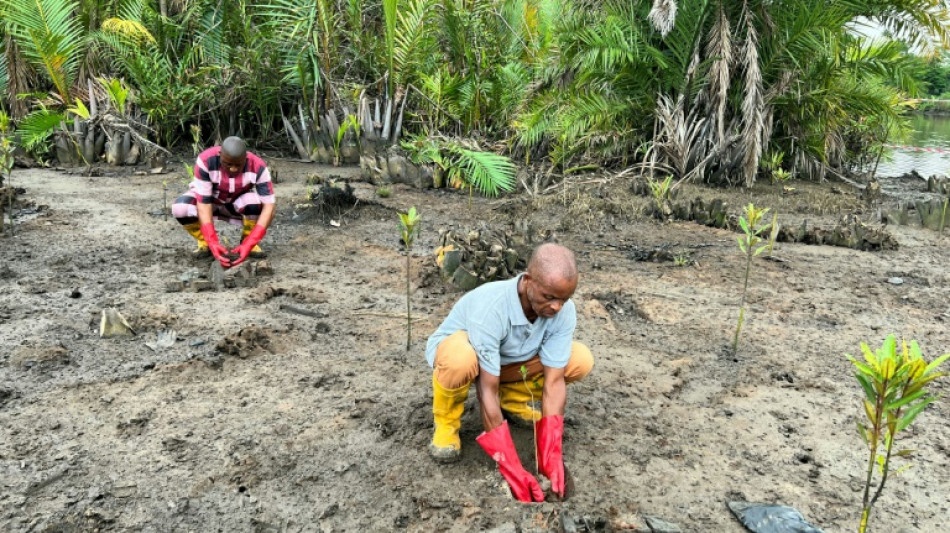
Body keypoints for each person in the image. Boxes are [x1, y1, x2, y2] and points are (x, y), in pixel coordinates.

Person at [425, 243, 593, 502]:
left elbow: (554, 381)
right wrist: (510, 464)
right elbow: (486, 389)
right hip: (468, 361)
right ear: (527, 281)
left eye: (564, 299)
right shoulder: (492, 307)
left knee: (579, 359)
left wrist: (550, 455)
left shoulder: (563, 311)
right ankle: (446, 423)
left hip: (510, 363)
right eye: (549, 297)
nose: (557, 307)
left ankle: (513, 402)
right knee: (460, 359)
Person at [172, 136, 275, 268]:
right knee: (181, 207)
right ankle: (205, 243)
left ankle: (247, 242)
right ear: (220, 154)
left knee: (254, 203)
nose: (233, 169)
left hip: (237, 203)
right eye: (228, 164)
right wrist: (212, 241)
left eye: (238, 165)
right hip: (210, 202)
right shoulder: (206, 160)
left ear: (245, 158)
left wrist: (250, 242)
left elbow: (269, 207)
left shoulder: (258, 166)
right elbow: (204, 203)